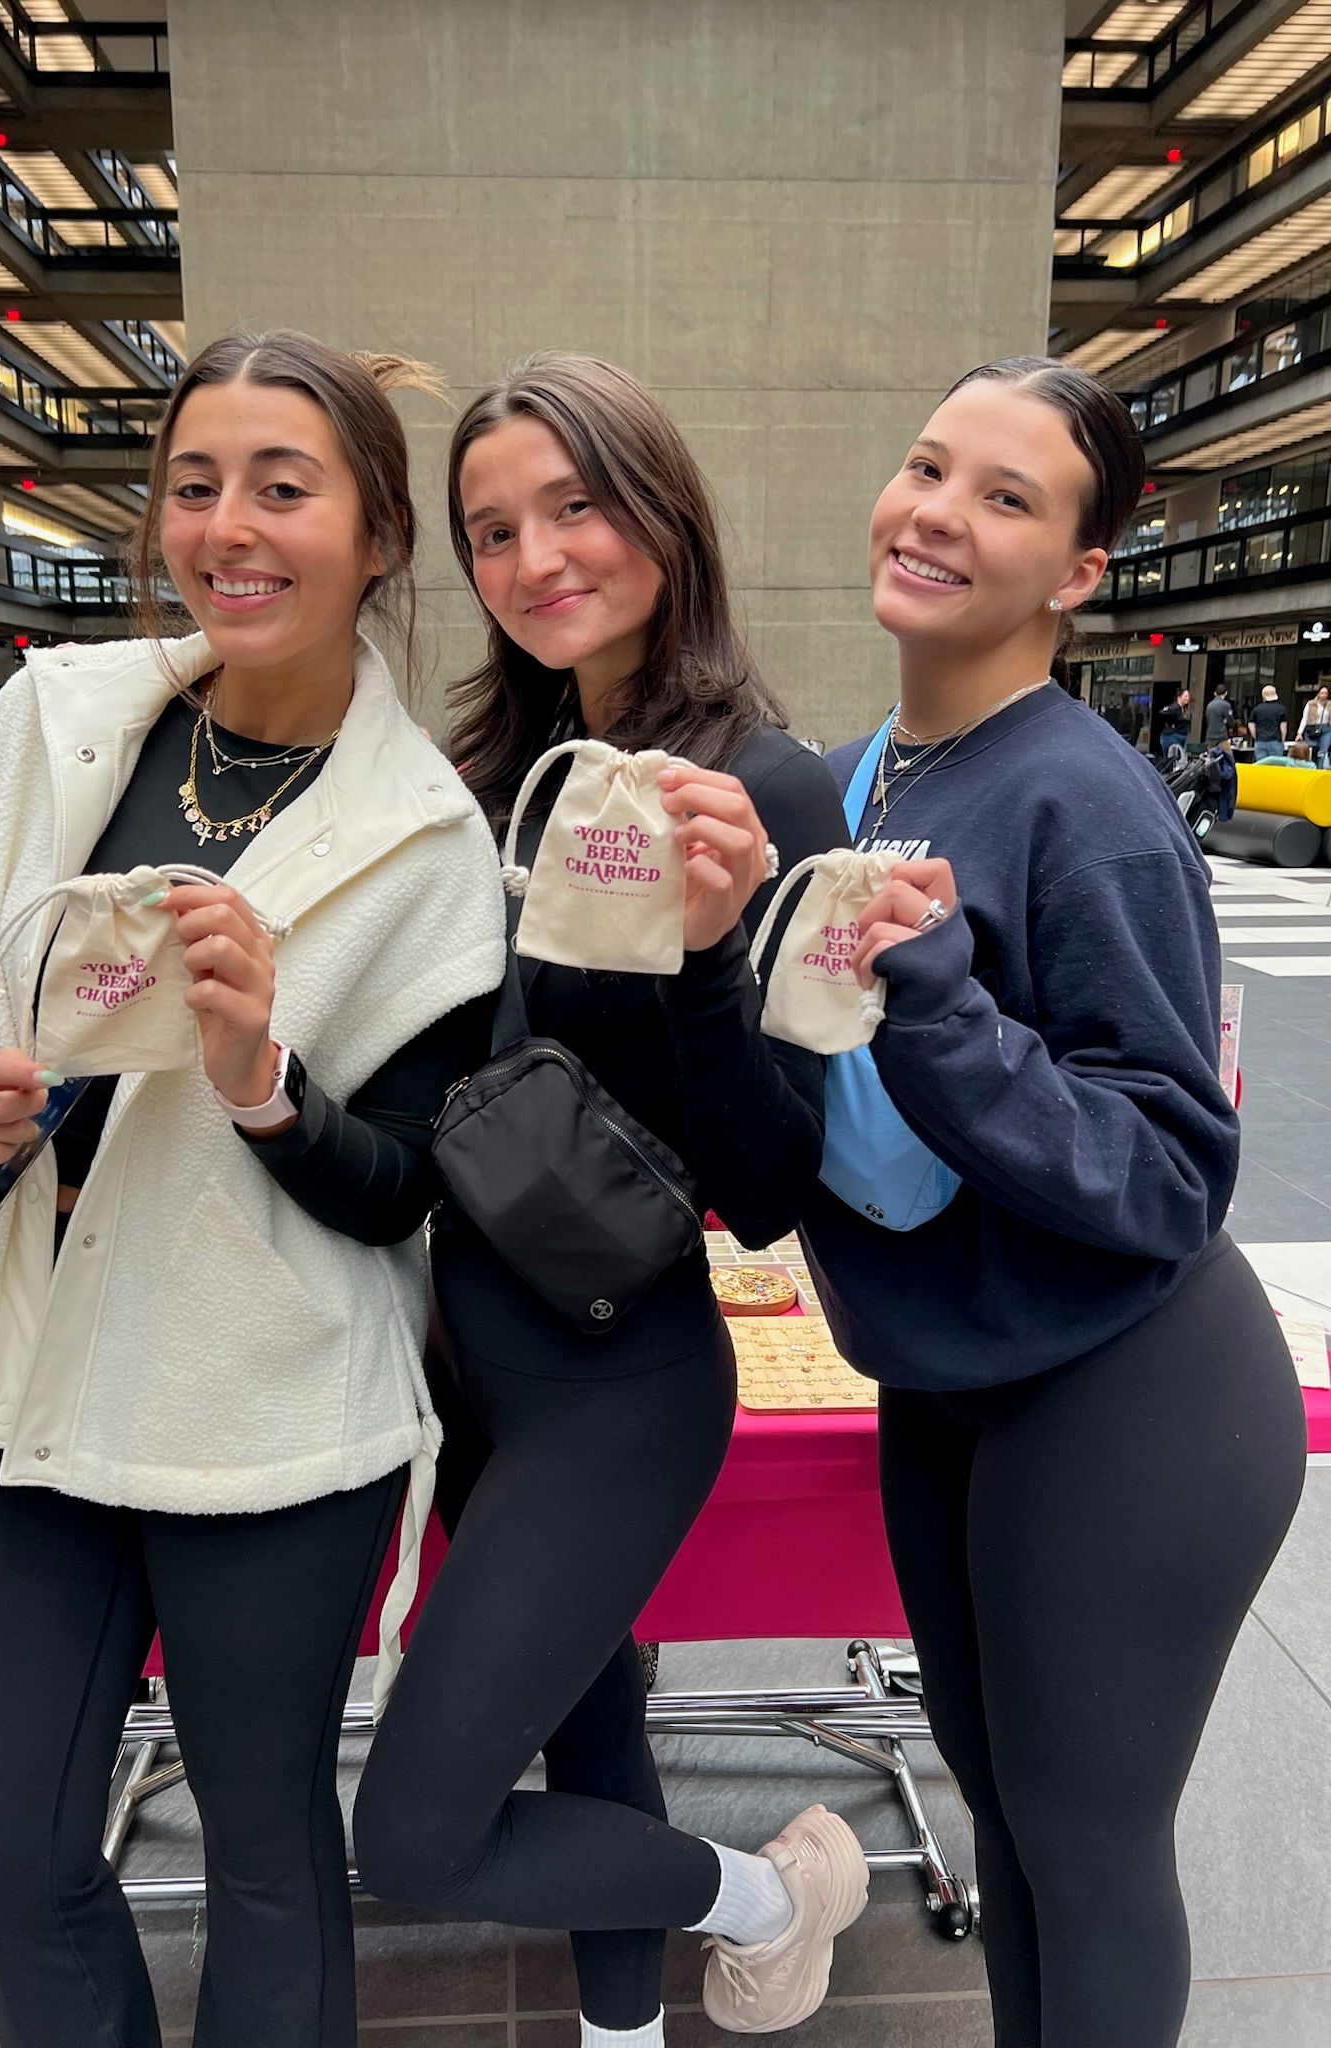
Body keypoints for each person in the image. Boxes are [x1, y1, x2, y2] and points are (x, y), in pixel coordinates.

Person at [0, 330, 508, 2048]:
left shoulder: (422, 840)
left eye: (283, 486)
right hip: (42, 1356)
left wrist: (260, 1082)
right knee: (0, 1850)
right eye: (194, 483)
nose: (229, 525)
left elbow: (400, 1192)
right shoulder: (60, 726)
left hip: (264, 1398)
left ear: (379, 536)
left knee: (261, 1850)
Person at [354, 353, 864, 2048]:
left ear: (662, 512)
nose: (537, 554)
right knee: (590, 1719)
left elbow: (771, 1183)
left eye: (575, 503)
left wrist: (713, 959)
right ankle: (624, 2031)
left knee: (416, 1829)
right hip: (472, 1365)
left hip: (620, 1380)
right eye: (493, 526)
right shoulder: (485, 769)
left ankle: (778, 1894)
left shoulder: (761, 788)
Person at [798, 356, 1305, 2048]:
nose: (937, 510)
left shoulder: (1081, 796)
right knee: (1007, 1825)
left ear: (1079, 573)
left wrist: (939, 1000)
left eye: (1005, 497)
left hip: (1125, 1381)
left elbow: (1167, 1163)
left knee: (1084, 1848)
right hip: (952, 1373)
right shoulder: (873, 768)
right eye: (930, 464)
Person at [1249, 682, 1289, 759]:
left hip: (1260, 741)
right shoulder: (1281, 709)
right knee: (1275, 767)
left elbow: (1251, 724)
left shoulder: (1257, 709)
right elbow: (1283, 726)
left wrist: (1256, 736)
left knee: (1261, 767)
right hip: (1276, 741)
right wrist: (1282, 740)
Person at [1297, 683, 1331, 768]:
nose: (1323, 695)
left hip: (1326, 728)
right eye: (1321, 693)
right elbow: (1304, 718)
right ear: (1318, 693)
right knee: (1311, 749)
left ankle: (1320, 767)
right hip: (1312, 728)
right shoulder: (1311, 703)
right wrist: (1299, 733)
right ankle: (1311, 766)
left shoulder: (1330, 704)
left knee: (1323, 751)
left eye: (1325, 693)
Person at [1157, 686, 1190, 763]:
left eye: (1188, 696)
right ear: (1179, 697)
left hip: (1182, 737)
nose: (1188, 698)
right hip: (1172, 737)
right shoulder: (1174, 708)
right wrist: (1170, 723)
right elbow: (1162, 712)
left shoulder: (1184, 709)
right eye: (1185, 696)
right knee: (1174, 760)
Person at [1202, 682, 1233, 747]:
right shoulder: (1226, 705)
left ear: (1215, 693)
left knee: (1212, 756)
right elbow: (1230, 721)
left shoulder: (1209, 705)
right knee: (1227, 756)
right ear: (1226, 693)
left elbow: (1208, 719)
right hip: (1221, 737)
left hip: (1210, 736)